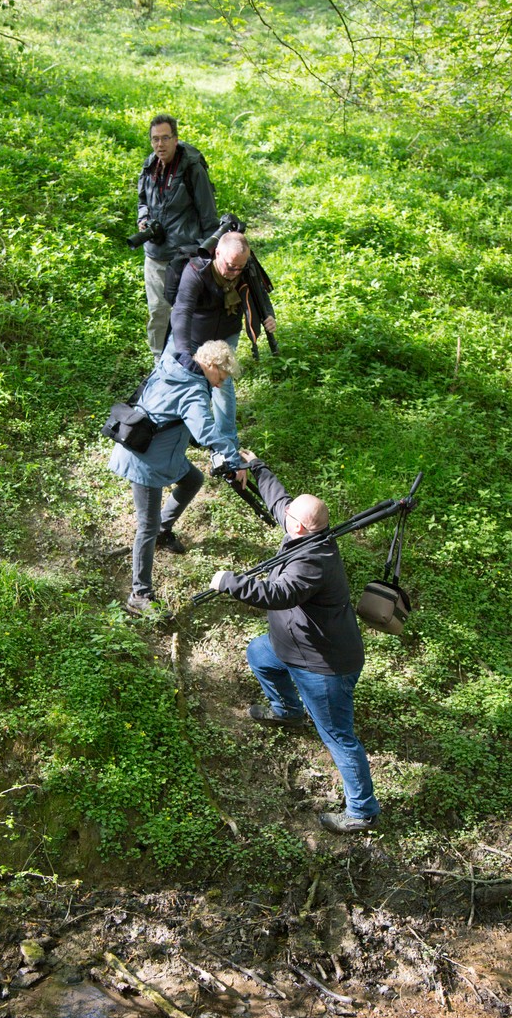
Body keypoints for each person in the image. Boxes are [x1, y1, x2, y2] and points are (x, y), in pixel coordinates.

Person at [209, 450, 381, 834]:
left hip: (323, 665)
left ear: (300, 528)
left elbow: (278, 595)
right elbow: (279, 501)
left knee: (338, 736)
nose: (281, 516)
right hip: (289, 644)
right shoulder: (305, 530)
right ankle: (287, 709)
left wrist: (229, 583)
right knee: (258, 654)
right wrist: (256, 467)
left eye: (289, 519)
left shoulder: (312, 562)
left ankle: (362, 811)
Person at [109, 340, 246, 613]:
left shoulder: (172, 365)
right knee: (145, 526)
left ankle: (164, 529)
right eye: (221, 376)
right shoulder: (193, 391)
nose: (220, 384)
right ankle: (139, 595)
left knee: (193, 480)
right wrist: (234, 458)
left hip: (158, 452)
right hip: (146, 462)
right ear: (211, 367)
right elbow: (205, 431)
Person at [167, 231, 277, 445]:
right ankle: (176, 434)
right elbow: (182, 310)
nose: (234, 272)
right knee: (183, 380)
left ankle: (227, 441)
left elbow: (260, 293)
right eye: (230, 266)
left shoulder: (245, 269)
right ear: (217, 253)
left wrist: (269, 315)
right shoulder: (197, 271)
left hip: (226, 334)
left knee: (222, 386)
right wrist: (183, 352)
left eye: (240, 267)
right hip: (193, 334)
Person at [137, 114, 220, 361]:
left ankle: (192, 362)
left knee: (187, 311)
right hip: (155, 254)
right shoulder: (149, 166)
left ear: (175, 138)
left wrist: (208, 257)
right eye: (155, 139)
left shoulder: (192, 168)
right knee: (158, 312)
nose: (159, 144)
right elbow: (142, 202)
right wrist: (143, 219)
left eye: (165, 138)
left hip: (186, 256)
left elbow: (208, 216)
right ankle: (159, 362)